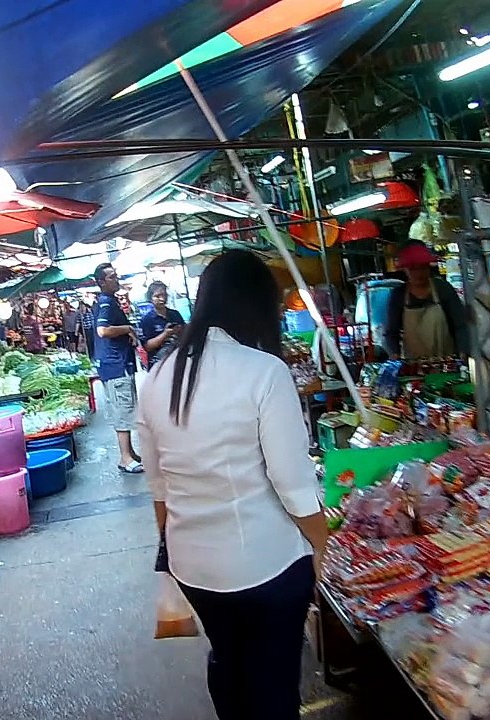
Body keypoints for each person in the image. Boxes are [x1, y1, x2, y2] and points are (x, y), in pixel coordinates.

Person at [137, 250, 327, 720]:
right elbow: (294, 484)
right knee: (273, 678)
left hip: (194, 567)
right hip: (265, 567)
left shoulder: (160, 376)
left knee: (228, 658)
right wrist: (323, 548)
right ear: (255, 305)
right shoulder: (264, 371)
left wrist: (172, 550)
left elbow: (158, 487)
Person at [93, 264, 144, 473]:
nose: (117, 279)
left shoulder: (109, 301)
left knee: (125, 409)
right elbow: (102, 330)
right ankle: (125, 457)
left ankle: (129, 452)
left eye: (116, 275)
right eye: (112, 277)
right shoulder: (105, 302)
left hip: (118, 364)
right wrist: (127, 328)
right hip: (115, 366)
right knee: (122, 411)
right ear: (102, 282)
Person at [385, 241, 469, 359]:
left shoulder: (443, 289)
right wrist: (395, 354)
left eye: (422, 268)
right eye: (413, 269)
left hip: (448, 362)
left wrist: (463, 353)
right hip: (415, 366)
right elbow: (391, 332)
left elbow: (460, 325)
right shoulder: (398, 295)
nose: (419, 274)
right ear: (405, 269)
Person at [138, 281, 186, 369]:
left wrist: (180, 331)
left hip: (178, 359)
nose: (162, 299)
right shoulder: (147, 320)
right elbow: (147, 347)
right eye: (157, 296)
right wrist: (165, 334)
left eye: (164, 295)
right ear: (151, 298)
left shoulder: (175, 314)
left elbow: (186, 334)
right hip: (159, 365)